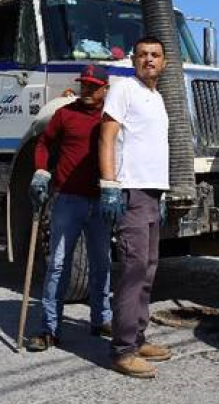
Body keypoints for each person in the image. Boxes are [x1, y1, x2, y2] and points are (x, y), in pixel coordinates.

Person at [26, 65, 114, 352]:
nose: (87, 90)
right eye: (84, 84)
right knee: (58, 265)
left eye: (93, 86)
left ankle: (102, 319)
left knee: (101, 263)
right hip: (67, 200)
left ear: (105, 89)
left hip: (102, 201)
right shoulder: (64, 114)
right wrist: (41, 171)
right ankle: (49, 329)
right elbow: (43, 143)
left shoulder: (111, 118)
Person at [98, 36, 171, 379]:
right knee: (132, 269)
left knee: (148, 269)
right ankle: (123, 350)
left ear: (164, 62)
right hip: (130, 191)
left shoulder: (156, 97)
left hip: (152, 192)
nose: (149, 60)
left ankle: (137, 338)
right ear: (133, 60)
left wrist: (162, 194)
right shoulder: (124, 88)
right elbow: (107, 137)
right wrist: (109, 185)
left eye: (155, 55)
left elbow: (152, 147)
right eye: (142, 55)